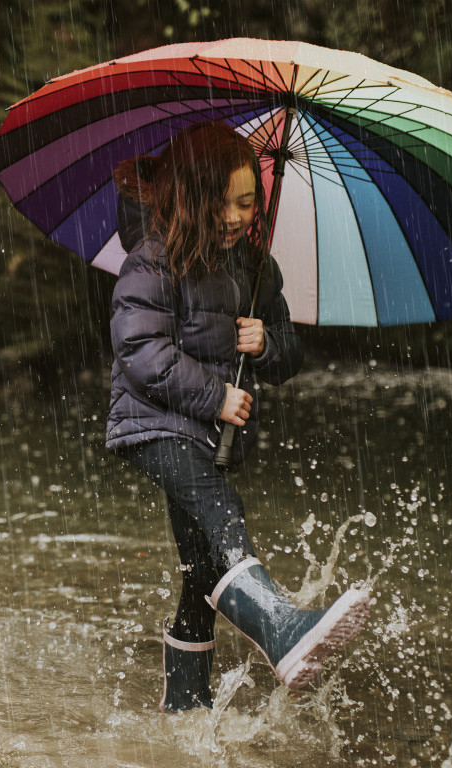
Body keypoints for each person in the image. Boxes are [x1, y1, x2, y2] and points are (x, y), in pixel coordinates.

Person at [106, 121, 369, 712]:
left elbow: (289, 354)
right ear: (192, 197)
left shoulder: (255, 267)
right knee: (221, 511)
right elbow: (141, 353)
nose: (234, 215)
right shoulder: (153, 259)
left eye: (247, 202)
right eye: (221, 201)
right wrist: (217, 397)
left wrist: (266, 343)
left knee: (201, 571)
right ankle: (280, 626)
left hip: (204, 433)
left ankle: (184, 711)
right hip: (152, 426)